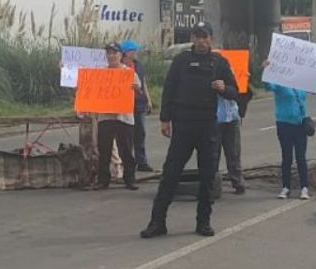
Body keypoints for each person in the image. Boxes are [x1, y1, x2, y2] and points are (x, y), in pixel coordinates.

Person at [140, 23, 239, 239]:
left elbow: (236, 92)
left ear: (211, 38)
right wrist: (165, 119)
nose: (201, 41)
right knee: (170, 174)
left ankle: (203, 222)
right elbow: (169, 89)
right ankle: (157, 222)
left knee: (207, 177)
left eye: (205, 37)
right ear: (193, 38)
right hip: (183, 125)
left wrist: (225, 89)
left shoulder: (219, 63)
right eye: (198, 37)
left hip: (207, 126)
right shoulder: (181, 61)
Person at [90, 42, 140, 191]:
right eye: (109, 53)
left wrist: (136, 90)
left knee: (126, 150)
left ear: (120, 55)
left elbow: (139, 94)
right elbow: (88, 88)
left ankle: (130, 179)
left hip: (124, 118)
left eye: (114, 53)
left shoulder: (129, 73)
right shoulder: (100, 73)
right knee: (104, 150)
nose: (111, 56)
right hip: (105, 117)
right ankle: (103, 180)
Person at [262, 59, 313, 201]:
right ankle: (286, 187)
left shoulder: (301, 83)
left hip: (300, 124)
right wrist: (265, 70)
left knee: (301, 157)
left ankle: (304, 187)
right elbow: (267, 86)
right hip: (284, 124)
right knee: (287, 157)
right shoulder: (279, 82)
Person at [122, 40, 155, 172]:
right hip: (125, 105)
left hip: (139, 103)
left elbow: (144, 82)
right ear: (125, 53)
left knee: (140, 133)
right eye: (133, 51)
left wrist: (148, 99)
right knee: (126, 135)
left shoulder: (139, 66)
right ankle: (127, 162)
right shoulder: (119, 67)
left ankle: (142, 162)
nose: (136, 53)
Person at [216, 93, 246, 195]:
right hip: (214, 119)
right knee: (213, 154)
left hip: (232, 118)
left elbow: (243, 93)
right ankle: (212, 185)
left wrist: (242, 110)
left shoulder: (235, 77)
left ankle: (238, 182)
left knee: (234, 152)